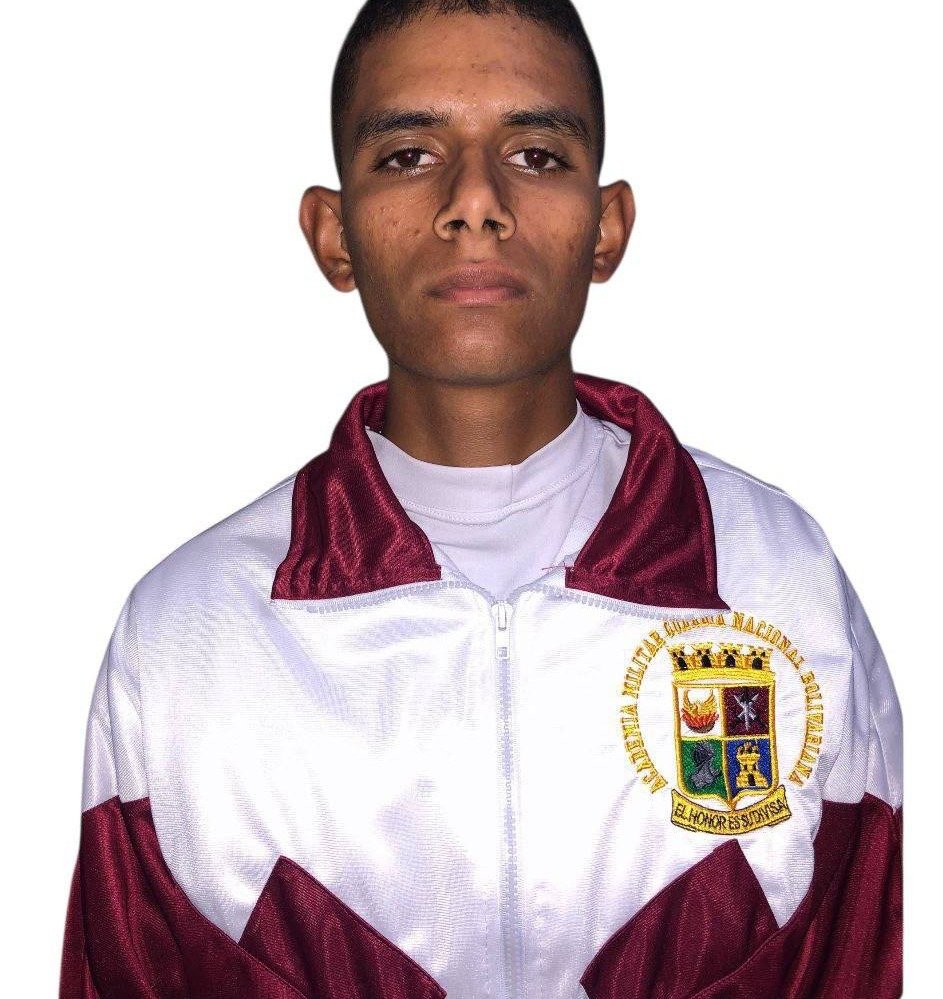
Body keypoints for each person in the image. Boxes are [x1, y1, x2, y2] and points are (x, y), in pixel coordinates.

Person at [58, 2, 903, 997]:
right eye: (409, 155)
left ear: (606, 226)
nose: (474, 202)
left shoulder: (783, 584)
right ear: (333, 234)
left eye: (535, 155)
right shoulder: (185, 635)